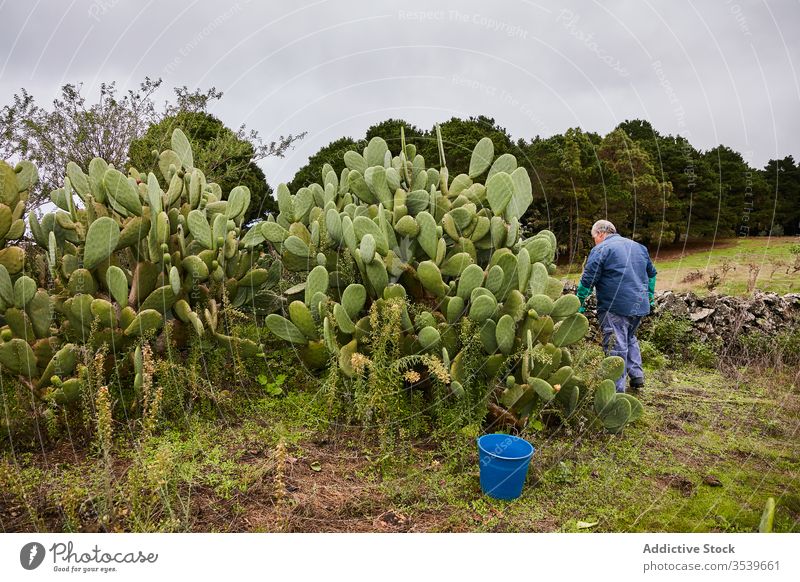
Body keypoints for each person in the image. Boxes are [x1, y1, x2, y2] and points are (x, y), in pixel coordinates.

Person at [576, 220, 657, 393]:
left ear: (600, 233)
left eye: (594, 238)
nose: (594, 241)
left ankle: (616, 391)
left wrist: (579, 303)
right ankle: (637, 376)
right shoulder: (639, 247)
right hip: (639, 306)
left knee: (616, 345)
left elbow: (588, 280)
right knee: (629, 337)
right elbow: (652, 275)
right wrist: (649, 296)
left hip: (615, 306)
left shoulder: (601, 249)